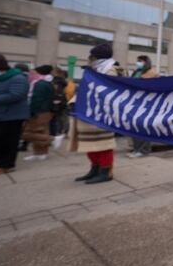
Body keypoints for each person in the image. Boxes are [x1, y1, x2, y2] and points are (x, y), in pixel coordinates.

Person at [70, 43, 124, 184]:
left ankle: (105, 171)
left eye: (92, 56)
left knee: (103, 143)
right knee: (90, 143)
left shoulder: (112, 70)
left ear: (95, 56)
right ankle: (94, 169)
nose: (90, 58)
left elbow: (109, 91)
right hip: (88, 111)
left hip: (102, 114)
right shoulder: (94, 69)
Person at [22, 65, 63, 161]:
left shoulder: (39, 84)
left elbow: (35, 99)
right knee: (40, 131)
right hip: (47, 111)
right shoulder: (47, 82)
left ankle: (53, 139)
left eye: (33, 72)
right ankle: (40, 153)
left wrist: (31, 112)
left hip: (39, 112)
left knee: (26, 133)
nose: (31, 74)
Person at [127, 55, 158, 158]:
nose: (138, 63)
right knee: (134, 126)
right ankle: (136, 149)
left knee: (142, 126)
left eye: (140, 61)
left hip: (146, 103)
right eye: (137, 61)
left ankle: (143, 150)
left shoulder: (153, 73)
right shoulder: (136, 72)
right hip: (134, 102)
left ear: (146, 62)